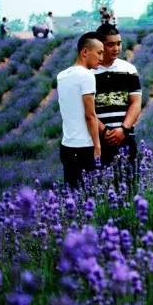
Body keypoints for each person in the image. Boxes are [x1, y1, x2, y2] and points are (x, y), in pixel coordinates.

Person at [57, 32, 104, 188]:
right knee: (88, 199)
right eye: (99, 53)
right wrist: (97, 146)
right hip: (84, 147)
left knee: (71, 195)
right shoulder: (87, 76)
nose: (101, 58)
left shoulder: (62, 76)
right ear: (85, 52)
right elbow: (90, 115)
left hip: (66, 146)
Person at [93, 23, 142, 172]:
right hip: (99, 140)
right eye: (111, 45)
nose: (116, 48)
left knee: (130, 187)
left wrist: (123, 129)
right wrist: (105, 131)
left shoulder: (129, 70)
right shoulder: (89, 73)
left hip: (126, 137)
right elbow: (86, 110)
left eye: (119, 44)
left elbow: (136, 103)